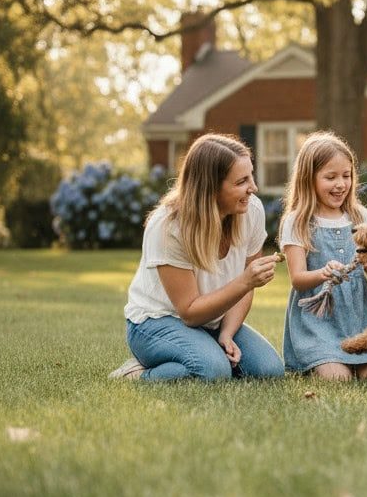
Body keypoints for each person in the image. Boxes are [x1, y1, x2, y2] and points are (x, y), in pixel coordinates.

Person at [109, 133, 284, 381]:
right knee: (213, 371)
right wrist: (245, 281)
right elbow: (189, 312)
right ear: (211, 187)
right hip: (157, 322)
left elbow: (245, 290)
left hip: (213, 321)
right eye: (241, 181)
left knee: (269, 371)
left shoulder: (251, 210)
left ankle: (206, 351)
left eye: (251, 176)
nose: (253, 188)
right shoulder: (168, 227)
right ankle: (137, 373)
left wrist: (227, 333)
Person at [279, 132, 367, 381]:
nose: (341, 184)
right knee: (336, 378)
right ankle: (320, 359)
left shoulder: (360, 216)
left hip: (359, 319)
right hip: (318, 323)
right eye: (330, 177)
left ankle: (359, 360)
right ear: (309, 180)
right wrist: (323, 274)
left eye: (346, 175)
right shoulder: (297, 222)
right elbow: (297, 279)